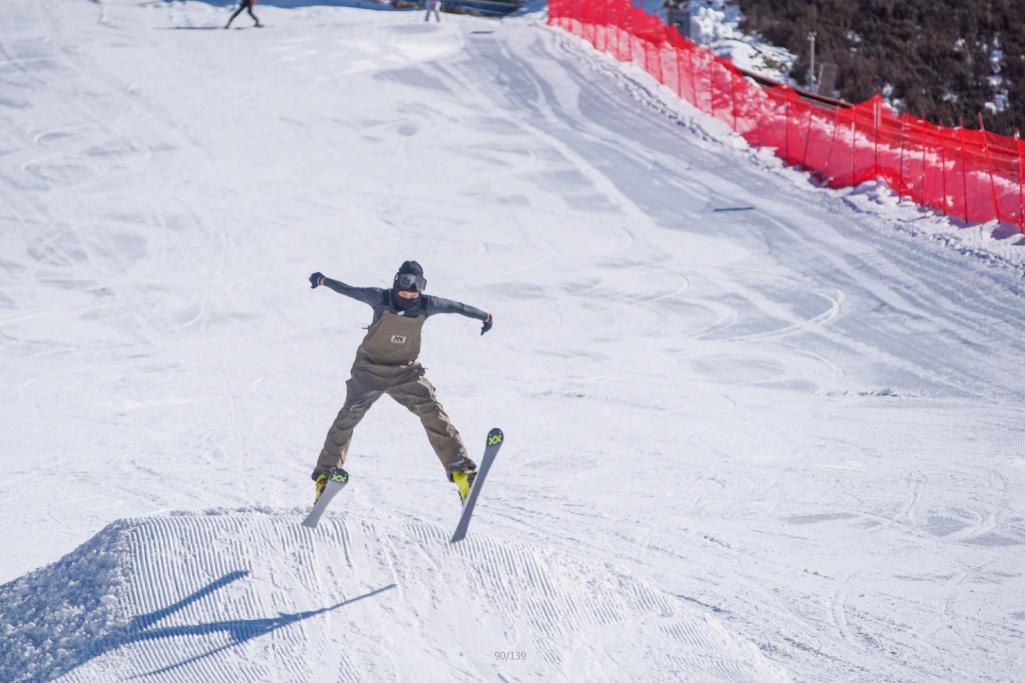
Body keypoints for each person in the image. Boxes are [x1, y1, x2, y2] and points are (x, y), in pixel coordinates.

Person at [308, 261, 493, 504]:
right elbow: (350, 290)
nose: (410, 293)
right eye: (406, 286)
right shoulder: (380, 298)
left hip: (406, 372)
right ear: (397, 282)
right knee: (349, 416)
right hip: (369, 371)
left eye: (417, 287)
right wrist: (324, 280)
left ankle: (461, 472)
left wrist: (484, 316)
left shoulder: (427, 304)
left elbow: (457, 307)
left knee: (432, 411)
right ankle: (325, 477)